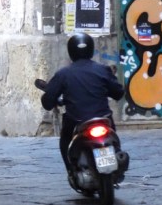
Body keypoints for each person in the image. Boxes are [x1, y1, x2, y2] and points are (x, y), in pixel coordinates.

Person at [40, 33, 124, 179]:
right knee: (113, 136)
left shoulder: (63, 74)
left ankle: (71, 170)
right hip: (103, 118)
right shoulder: (102, 70)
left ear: (71, 51)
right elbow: (118, 92)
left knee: (65, 139)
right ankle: (116, 154)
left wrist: (51, 99)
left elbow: (48, 102)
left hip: (77, 121)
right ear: (91, 49)